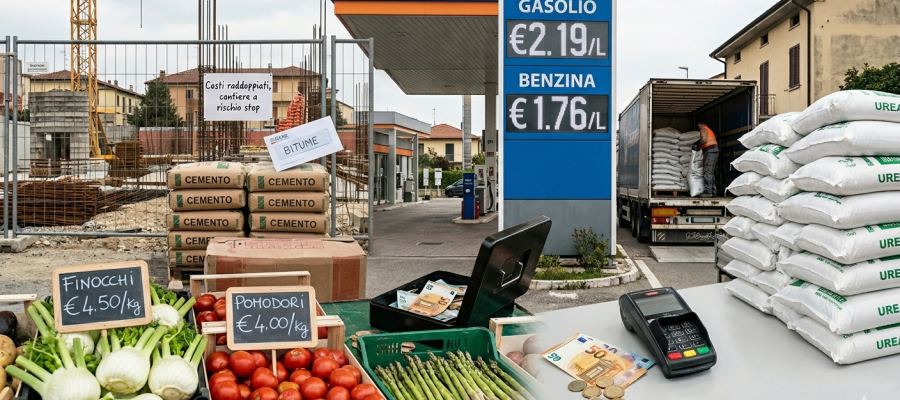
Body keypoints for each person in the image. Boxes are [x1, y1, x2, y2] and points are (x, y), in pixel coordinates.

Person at [697, 122, 718, 197]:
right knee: (711, 173)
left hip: (710, 152)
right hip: (713, 152)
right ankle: (713, 192)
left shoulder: (703, 129)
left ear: (700, 125)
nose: (698, 128)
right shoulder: (709, 129)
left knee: (707, 172)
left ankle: (708, 192)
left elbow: (704, 139)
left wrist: (699, 144)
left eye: (698, 126)